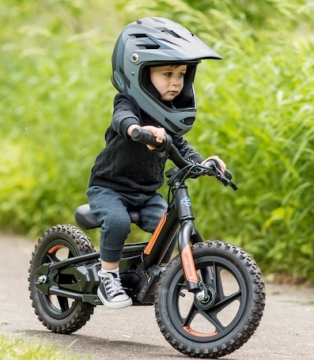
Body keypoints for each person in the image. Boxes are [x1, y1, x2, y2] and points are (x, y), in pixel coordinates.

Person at [87, 17, 226, 308]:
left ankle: (150, 272)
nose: (176, 82)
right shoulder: (128, 102)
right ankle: (108, 276)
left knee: (167, 226)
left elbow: (181, 146)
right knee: (116, 221)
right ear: (140, 72)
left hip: (146, 194)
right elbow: (122, 119)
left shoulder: (168, 114)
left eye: (181, 74)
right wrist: (137, 131)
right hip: (110, 188)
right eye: (167, 74)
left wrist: (205, 163)